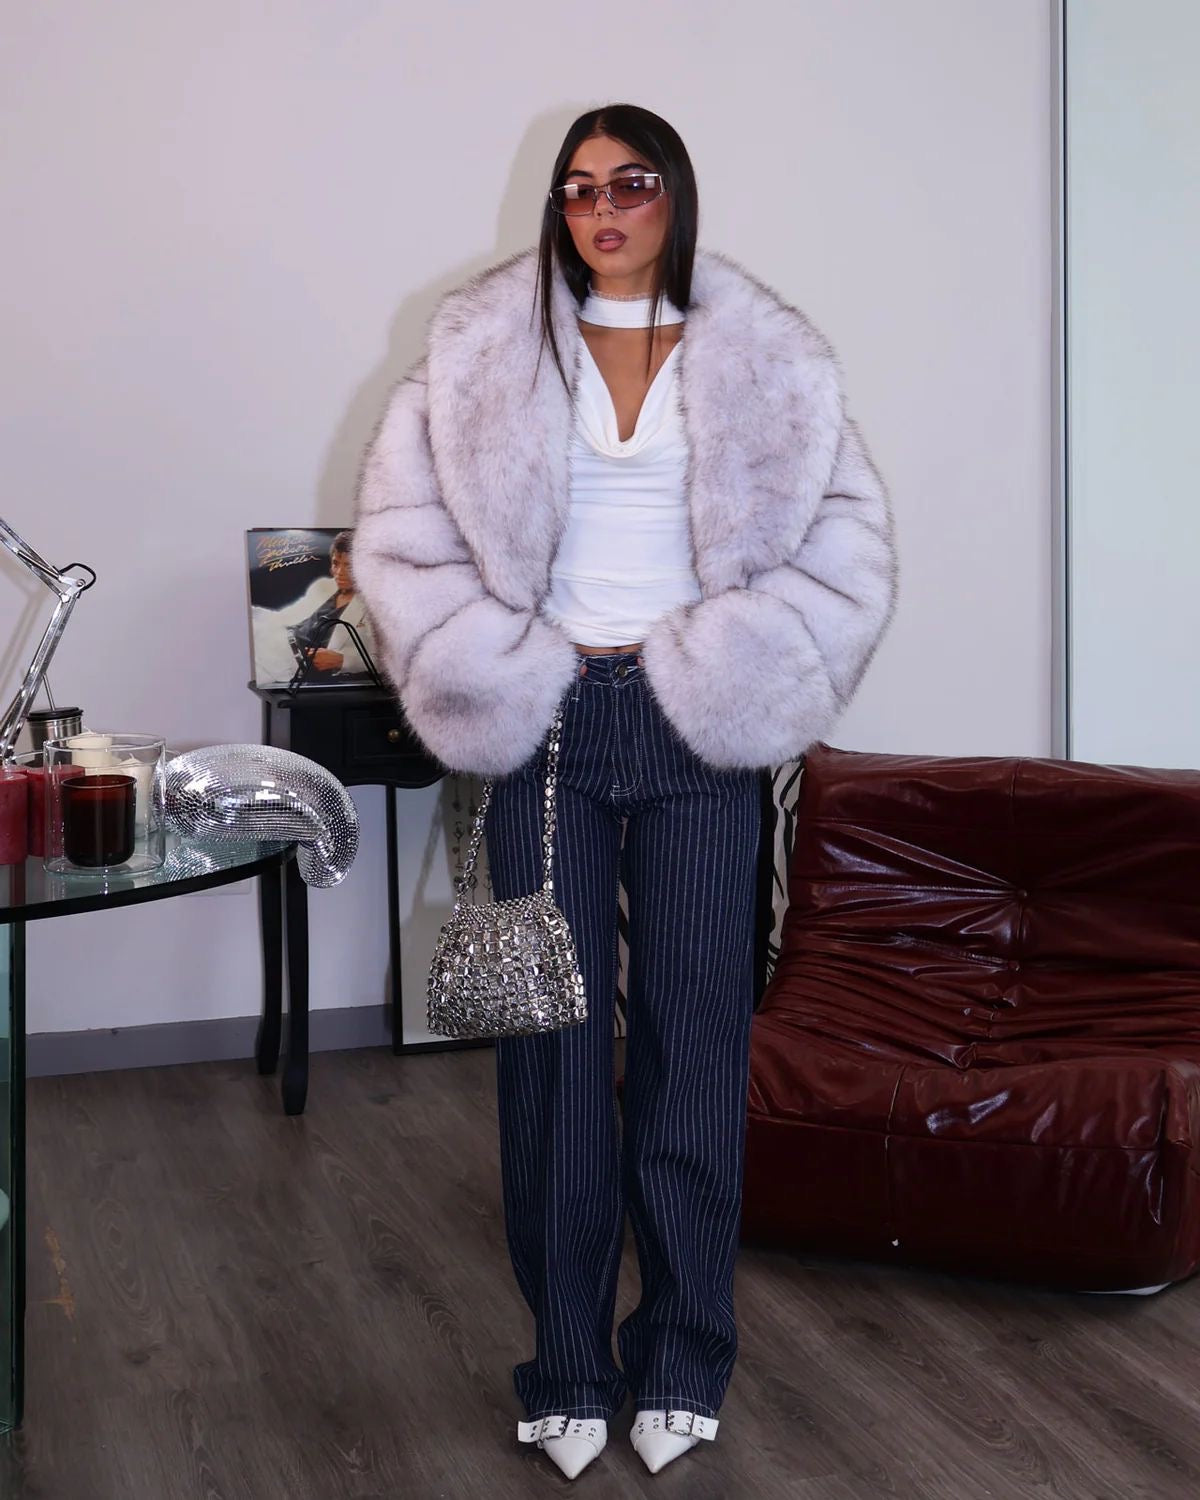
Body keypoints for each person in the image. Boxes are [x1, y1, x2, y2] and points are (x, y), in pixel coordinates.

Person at [353, 104, 897, 1480]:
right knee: (548, 1054)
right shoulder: (482, 352)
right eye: (580, 187)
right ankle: (569, 1365)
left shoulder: (762, 357)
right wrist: (482, 661)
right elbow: (404, 541)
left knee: (694, 1047)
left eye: (631, 183)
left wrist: (751, 662)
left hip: (699, 724)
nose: (603, 208)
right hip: (547, 726)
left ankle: (686, 1352)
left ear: (675, 196)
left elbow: (846, 541)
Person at [251, 530, 374, 685]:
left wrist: (342, 660)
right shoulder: (324, 586)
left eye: (349, 566)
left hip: (289, 664)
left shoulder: (374, 607)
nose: (339, 572)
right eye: (335, 563)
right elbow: (285, 617)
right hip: (274, 637)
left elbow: (385, 660)